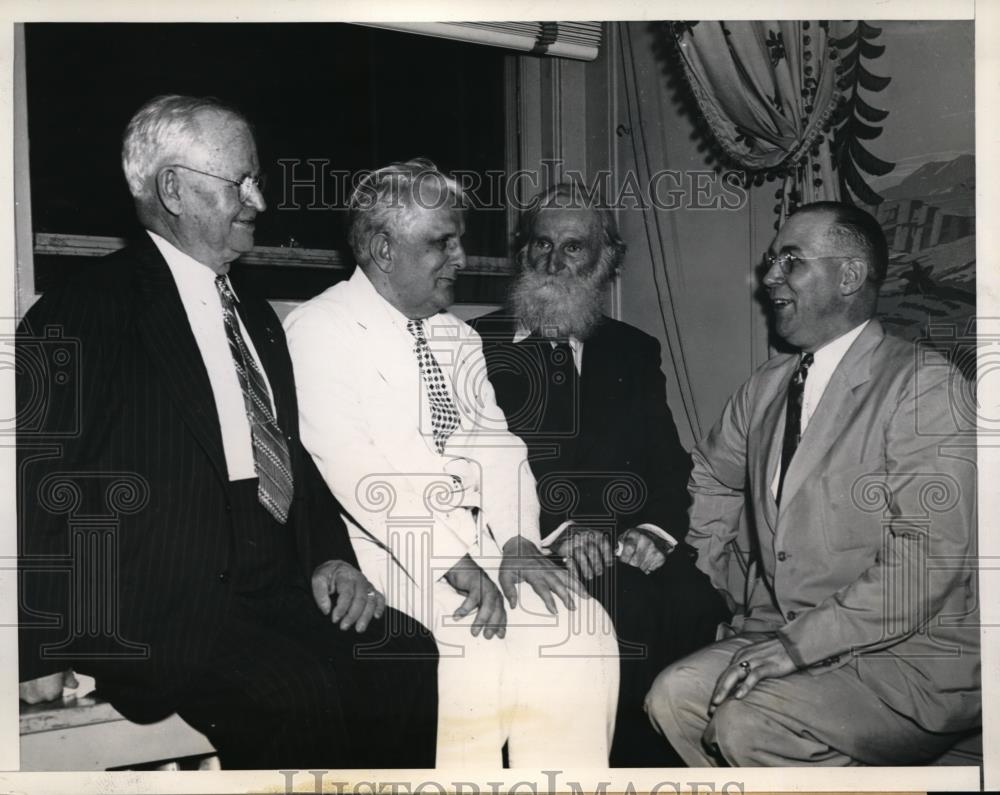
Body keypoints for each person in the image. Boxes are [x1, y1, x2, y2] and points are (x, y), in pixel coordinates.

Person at [17, 95, 438, 769]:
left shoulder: (259, 317)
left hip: (274, 582)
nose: (258, 200)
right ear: (174, 189)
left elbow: (289, 456)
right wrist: (31, 649)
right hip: (163, 605)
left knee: (406, 652)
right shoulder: (81, 311)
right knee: (300, 694)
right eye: (238, 182)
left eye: (257, 179)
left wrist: (331, 557)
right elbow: (32, 483)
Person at [284, 159, 619, 769]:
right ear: (384, 249)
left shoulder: (456, 338)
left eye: (458, 239)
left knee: (577, 628)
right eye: (443, 242)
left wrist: (517, 539)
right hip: (395, 555)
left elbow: (501, 449)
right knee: (475, 653)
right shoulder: (320, 329)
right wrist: (458, 566)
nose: (461, 257)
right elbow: (361, 476)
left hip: (485, 542)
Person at [645, 201, 980, 765]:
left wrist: (796, 646)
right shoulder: (768, 386)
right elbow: (713, 476)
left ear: (849, 276)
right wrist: (717, 573)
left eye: (790, 261)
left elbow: (926, 561)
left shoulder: (925, 387)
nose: (769, 275)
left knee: (746, 722)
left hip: (906, 655)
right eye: (773, 259)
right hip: (779, 633)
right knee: (672, 697)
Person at [471, 183, 729, 766]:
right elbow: (472, 470)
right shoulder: (476, 346)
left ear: (606, 262)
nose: (553, 263)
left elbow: (669, 464)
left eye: (573, 249)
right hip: (529, 542)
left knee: (695, 603)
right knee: (627, 610)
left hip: (628, 544)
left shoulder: (633, 350)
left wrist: (654, 533)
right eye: (541, 245)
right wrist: (562, 531)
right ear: (522, 253)